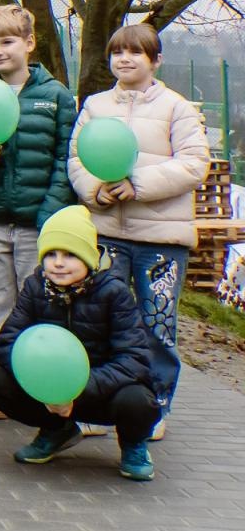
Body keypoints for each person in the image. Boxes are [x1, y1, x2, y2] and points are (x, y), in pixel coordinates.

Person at [68, 23, 210, 435]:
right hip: (106, 234)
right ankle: (97, 407)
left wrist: (137, 187)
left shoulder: (176, 107)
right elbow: (76, 159)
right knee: (99, 323)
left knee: (157, 326)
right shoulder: (95, 105)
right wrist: (96, 192)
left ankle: (154, 410)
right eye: (117, 52)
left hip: (160, 242)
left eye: (136, 52)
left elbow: (193, 164)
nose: (125, 59)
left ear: (155, 60)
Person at [0, 205, 162, 480]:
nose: (58, 263)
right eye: (50, 254)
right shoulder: (36, 287)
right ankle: (57, 430)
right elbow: (7, 344)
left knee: (139, 402)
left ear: (88, 257)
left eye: (69, 255)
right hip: (50, 391)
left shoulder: (115, 292)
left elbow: (134, 360)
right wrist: (46, 388)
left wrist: (76, 391)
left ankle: (134, 444)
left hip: (102, 390)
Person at [0, 5, 77, 414]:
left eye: (7, 42)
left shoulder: (55, 95)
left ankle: (40, 384)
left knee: (40, 303)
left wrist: (50, 214)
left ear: (29, 43)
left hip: (36, 223)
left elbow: (65, 159)